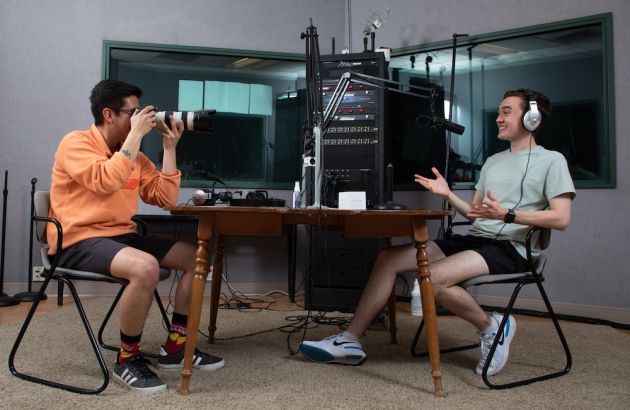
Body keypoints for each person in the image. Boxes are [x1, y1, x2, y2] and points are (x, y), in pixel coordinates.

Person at [299, 88, 576, 377]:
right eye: (499, 112)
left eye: (507, 111)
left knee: (432, 279)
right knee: (388, 258)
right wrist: (447, 193)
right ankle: (350, 340)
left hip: (512, 248)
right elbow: (473, 213)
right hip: (474, 240)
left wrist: (509, 214)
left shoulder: (552, 161)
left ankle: (492, 327)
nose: (498, 118)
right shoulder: (493, 162)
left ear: (532, 118)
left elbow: (561, 218)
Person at [48, 80, 223, 394]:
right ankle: (127, 358)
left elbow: (165, 198)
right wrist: (136, 136)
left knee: (195, 257)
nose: (142, 118)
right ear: (109, 114)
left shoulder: (134, 156)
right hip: (76, 241)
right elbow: (105, 181)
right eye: (133, 113)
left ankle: (175, 347)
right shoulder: (75, 143)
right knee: (145, 268)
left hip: (120, 237)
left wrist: (169, 150)